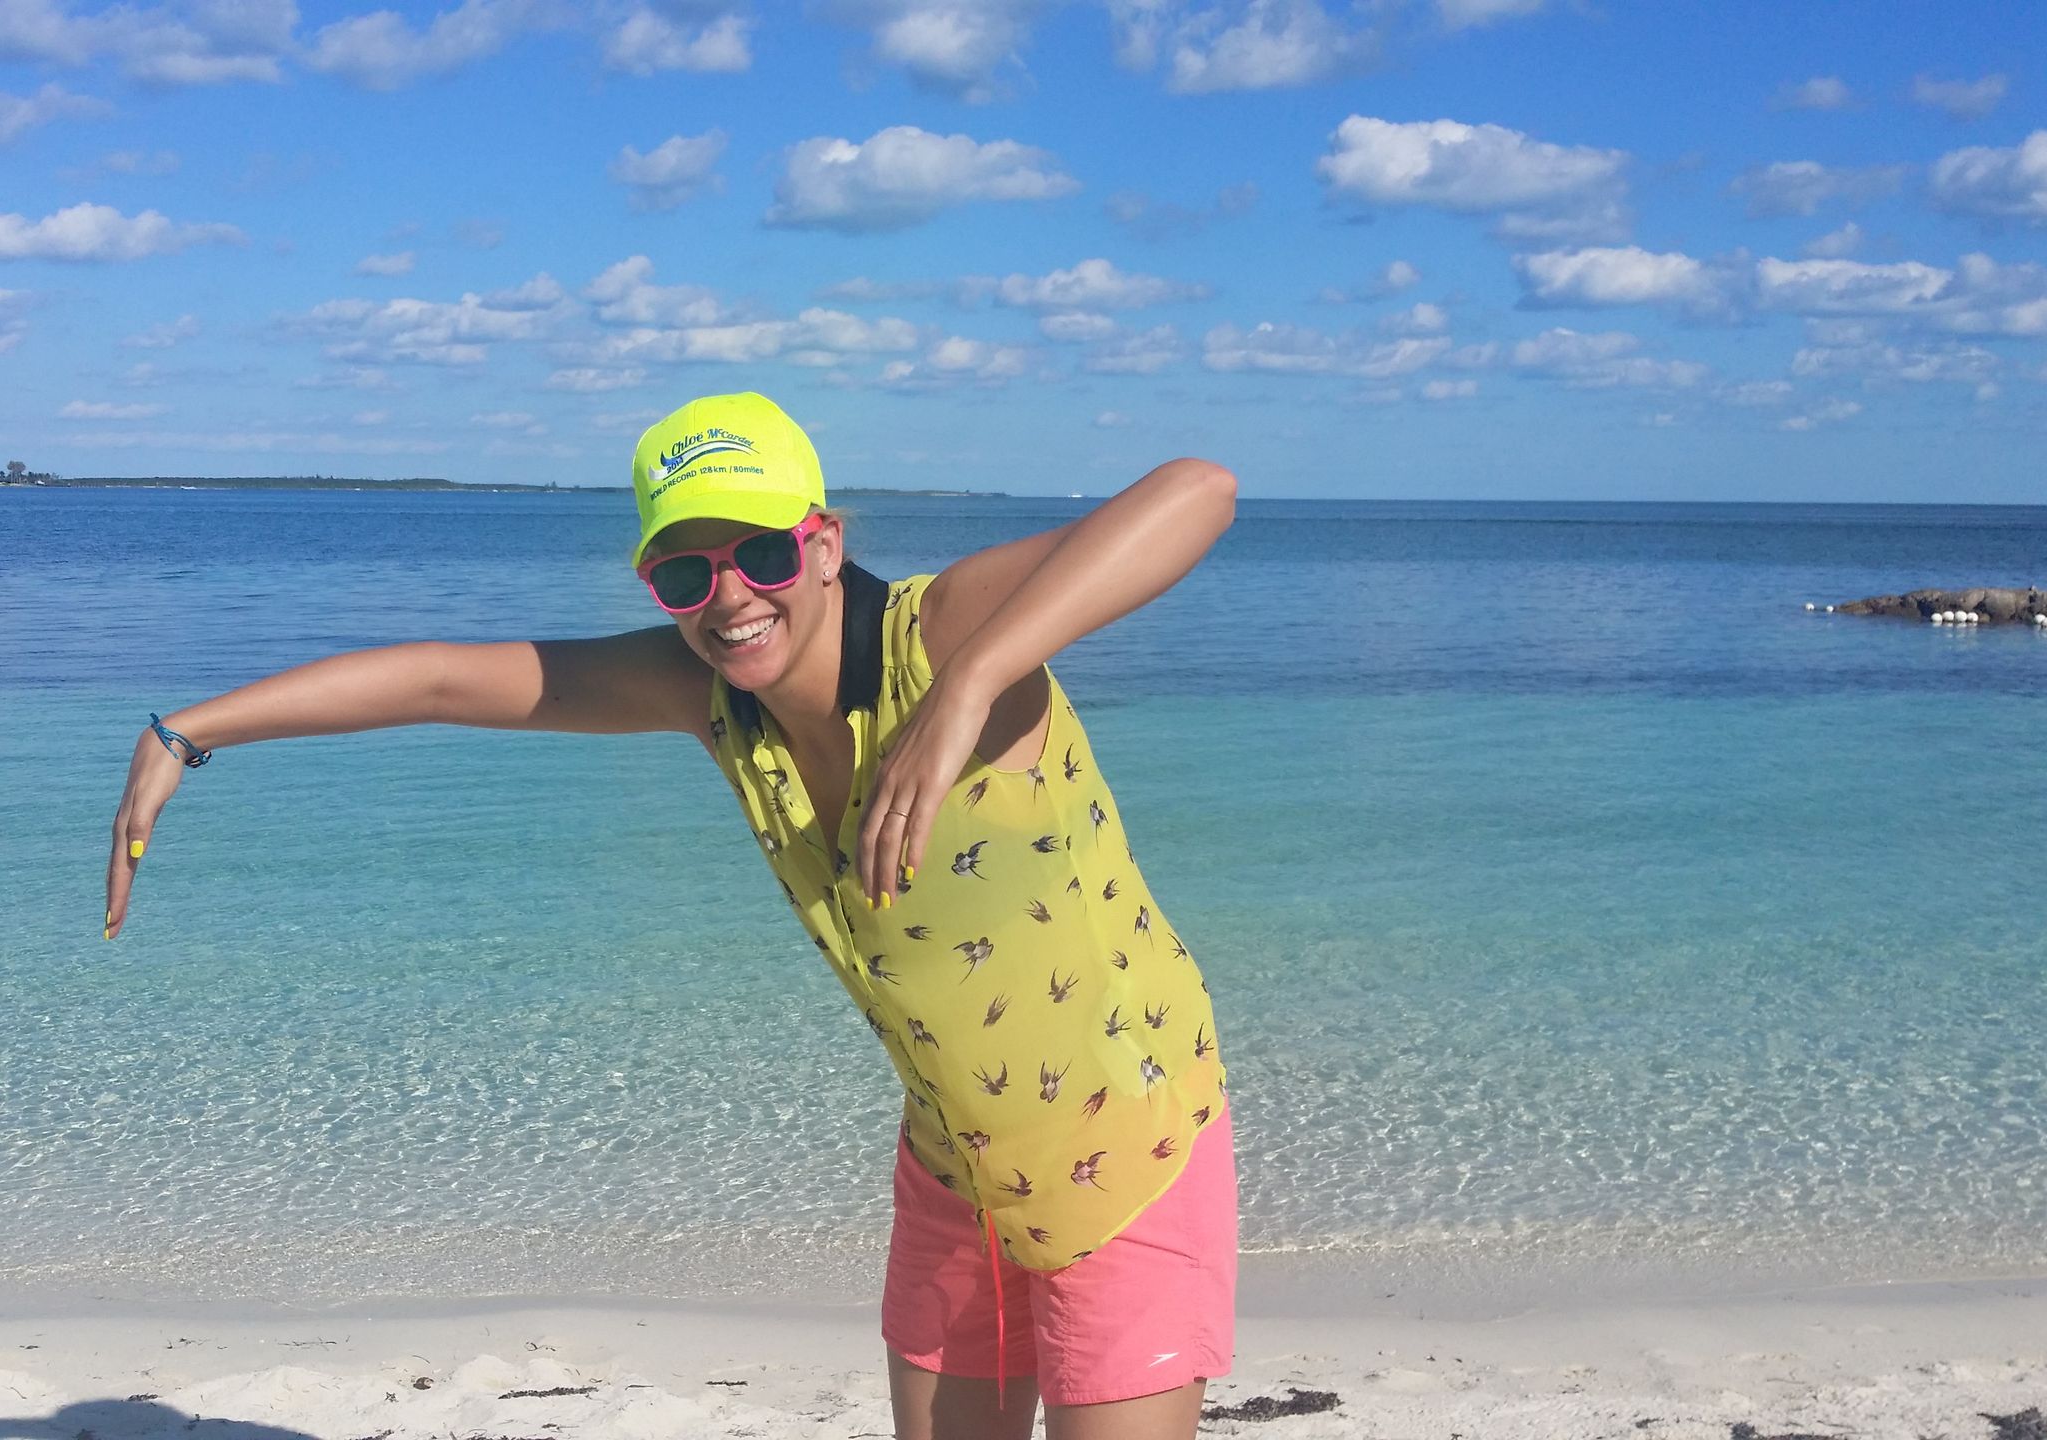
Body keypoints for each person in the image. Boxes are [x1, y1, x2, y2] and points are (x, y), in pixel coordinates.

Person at [104, 392, 1241, 1440]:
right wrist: (189, 733)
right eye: (686, 574)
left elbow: (1197, 491)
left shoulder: (938, 630)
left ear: (824, 545)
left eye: (762, 553)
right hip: (958, 1176)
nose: (732, 597)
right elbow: (443, 679)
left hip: (1129, 1151)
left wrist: (969, 686)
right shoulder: (712, 699)